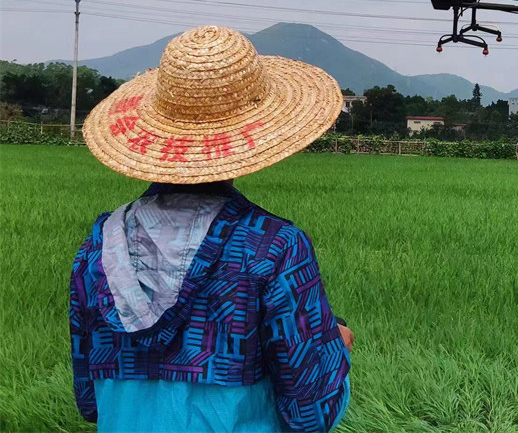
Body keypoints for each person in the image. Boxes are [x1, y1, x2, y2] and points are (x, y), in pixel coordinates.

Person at [70, 25, 353, 432]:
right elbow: (310, 412)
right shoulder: (274, 248)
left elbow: (89, 400)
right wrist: (336, 348)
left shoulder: (99, 245)